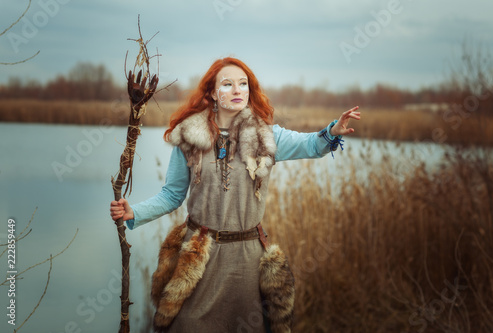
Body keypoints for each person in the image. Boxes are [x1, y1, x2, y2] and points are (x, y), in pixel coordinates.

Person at [110, 57, 360, 333]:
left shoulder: (267, 138)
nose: (237, 90)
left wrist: (333, 131)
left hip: (246, 259)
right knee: (188, 325)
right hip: (198, 255)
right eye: (227, 84)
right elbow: (172, 195)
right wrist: (134, 211)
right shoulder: (190, 137)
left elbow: (311, 145)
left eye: (243, 84)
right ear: (212, 93)